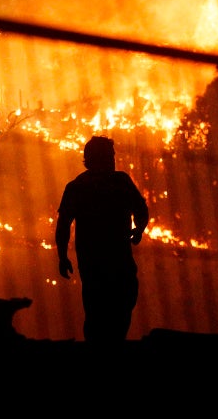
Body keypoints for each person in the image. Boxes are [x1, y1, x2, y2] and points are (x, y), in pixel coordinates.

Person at [55, 136, 150, 343]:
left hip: (95, 263)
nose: (113, 159)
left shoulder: (79, 186)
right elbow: (141, 210)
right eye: (109, 156)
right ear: (99, 158)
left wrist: (62, 256)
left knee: (99, 310)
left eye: (112, 156)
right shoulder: (117, 182)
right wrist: (139, 229)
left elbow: (63, 225)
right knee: (116, 306)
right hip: (111, 262)